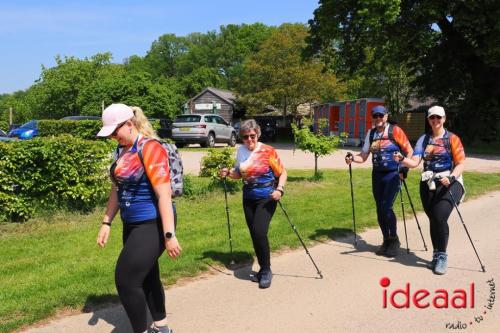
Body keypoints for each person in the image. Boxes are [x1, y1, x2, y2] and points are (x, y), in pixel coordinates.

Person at [96, 103, 181, 333]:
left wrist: (169, 234)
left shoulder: (150, 148)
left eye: (115, 131)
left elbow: (164, 193)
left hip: (152, 223)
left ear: (129, 124)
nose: (113, 137)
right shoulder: (121, 150)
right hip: (131, 224)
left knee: (125, 279)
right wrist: (106, 222)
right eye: (110, 134)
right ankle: (162, 328)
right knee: (147, 275)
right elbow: (116, 189)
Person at [394, 106, 465, 275]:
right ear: (428, 120)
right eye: (432, 118)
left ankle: (442, 256)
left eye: (438, 118)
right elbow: (415, 162)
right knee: (434, 219)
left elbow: (461, 163)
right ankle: (436, 254)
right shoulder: (424, 139)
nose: (435, 121)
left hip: (450, 182)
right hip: (428, 182)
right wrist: (403, 160)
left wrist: (452, 177)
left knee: (440, 217)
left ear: (444, 119)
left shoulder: (452, 139)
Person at [220, 119, 287, 289]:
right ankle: (262, 268)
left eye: (252, 136)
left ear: (257, 134)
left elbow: (282, 172)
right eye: (245, 137)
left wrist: (279, 189)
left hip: (267, 196)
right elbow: (239, 174)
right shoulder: (241, 151)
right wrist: (229, 173)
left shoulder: (267, 151)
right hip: (248, 197)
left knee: (259, 231)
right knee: (254, 234)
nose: (249, 140)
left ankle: (266, 270)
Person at [345, 105, 413, 257]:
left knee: (386, 207)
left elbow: (409, 150)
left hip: (393, 174)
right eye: (375, 116)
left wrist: (405, 168)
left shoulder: (395, 131)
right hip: (377, 174)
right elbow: (363, 156)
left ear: (386, 117)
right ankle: (386, 240)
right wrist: (352, 158)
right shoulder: (371, 133)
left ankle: (394, 239)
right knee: (379, 208)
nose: (378, 119)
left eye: (381, 116)